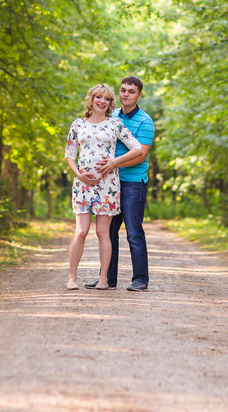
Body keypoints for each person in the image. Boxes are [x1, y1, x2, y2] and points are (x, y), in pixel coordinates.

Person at [64, 84, 143, 290]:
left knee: (102, 233)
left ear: (110, 103)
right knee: (81, 231)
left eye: (106, 99)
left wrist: (114, 161)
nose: (102, 101)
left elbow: (137, 148)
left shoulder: (115, 125)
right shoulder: (78, 124)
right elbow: (69, 155)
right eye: (98, 97)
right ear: (91, 99)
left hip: (107, 185)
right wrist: (79, 175)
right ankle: (72, 278)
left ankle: (104, 279)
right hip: (82, 184)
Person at [87, 76, 154, 292]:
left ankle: (140, 279)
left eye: (131, 91)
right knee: (108, 232)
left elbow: (140, 156)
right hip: (109, 183)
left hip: (133, 183)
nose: (126, 94)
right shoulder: (111, 116)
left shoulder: (145, 121)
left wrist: (115, 162)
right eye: (123, 90)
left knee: (134, 231)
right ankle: (107, 278)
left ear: (139, 95)